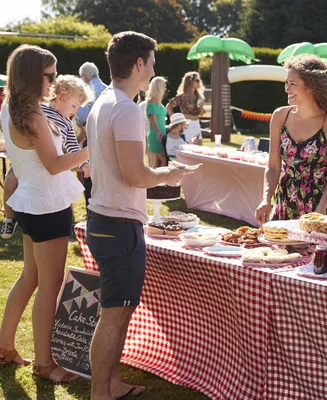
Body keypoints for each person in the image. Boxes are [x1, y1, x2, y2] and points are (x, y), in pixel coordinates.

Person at [85, 31, 193, 400]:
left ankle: (111, 384)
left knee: (120, 311)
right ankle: (102, 391)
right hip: (117, 226)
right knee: (114, 315)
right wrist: (171, 174)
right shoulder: (126, 108)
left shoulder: (106, 101)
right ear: (138, 63)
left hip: (108, 220)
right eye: (151, 62)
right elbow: (135, 174)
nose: (153, 69)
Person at [0, 45, 87, 382]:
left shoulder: (10, 108)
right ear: (32, 75)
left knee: (30, 278)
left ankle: (6, 345)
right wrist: (91, 148)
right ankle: (45, 365)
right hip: (47, 206)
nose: (54, 81)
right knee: (49, 286)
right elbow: (54, 165)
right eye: (49, 75)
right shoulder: (33, 114)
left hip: (30, 204)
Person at [254, 54, 327, 223]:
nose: (286, 89)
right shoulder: (279, 116)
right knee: (280, 250)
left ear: (311, 87)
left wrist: (320, 210)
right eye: (286, 83)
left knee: (319, 251)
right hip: (285, 203)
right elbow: (273, 166)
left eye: (292, 84)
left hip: (320, 205)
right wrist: (265, 199)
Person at [1, 75, 93, 239]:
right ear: (61, 96)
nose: (75, 111)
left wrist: (84, 163)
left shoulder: (66, 123)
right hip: (28, 159)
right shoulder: (39, 110)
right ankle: (9, 218)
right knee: (9, 184)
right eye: (73, 105)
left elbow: (72, 145)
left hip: (49, 165)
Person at [76, 62, 108, 211]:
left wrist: (78, 121)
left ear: (84, 76)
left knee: (89, 176)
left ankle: (91, 210)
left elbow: (81, 116)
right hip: (108, 138)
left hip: (92, 138)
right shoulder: (108, 90)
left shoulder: (87, 90)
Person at [166, 71, 205, 142]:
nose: (199, 82)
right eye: (197, 80)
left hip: (196, 123)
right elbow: (169, 107)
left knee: (199, 145)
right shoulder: (182, 97)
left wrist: (201, 108)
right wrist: (176, 120)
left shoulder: (198, 97)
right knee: (186, 146)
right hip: (186, 124)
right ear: (190, 82)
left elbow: (201, 114)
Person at [146, 76, 168, 167]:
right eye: (164, 85)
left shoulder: (158, 101)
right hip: (157, 136)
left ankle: (154, 181)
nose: (165, 87)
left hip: (161, 134)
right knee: (164, 160)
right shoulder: (152, 101)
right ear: (158, 86)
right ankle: (162, 180)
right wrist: (159, 132)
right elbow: (153, 119)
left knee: (158, 163)